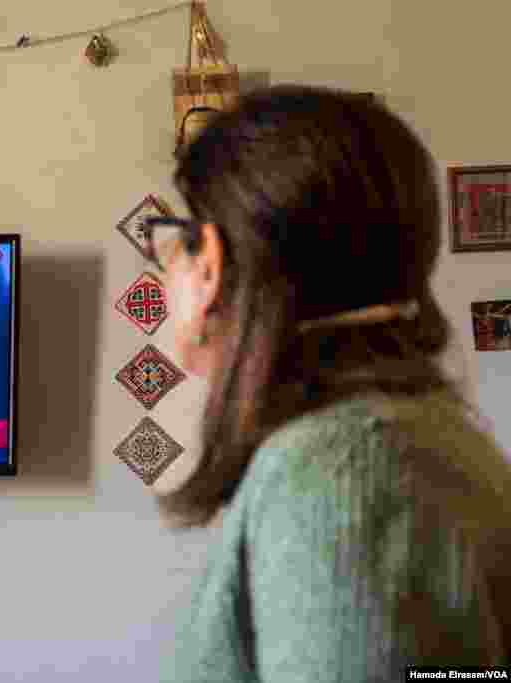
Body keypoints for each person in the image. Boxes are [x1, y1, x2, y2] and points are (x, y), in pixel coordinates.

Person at [148, 85, 511, 680]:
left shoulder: (338, 472)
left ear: (210, 262)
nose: (169, 268)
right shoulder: (407, 432)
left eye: (178, 240)